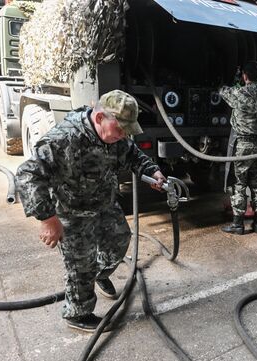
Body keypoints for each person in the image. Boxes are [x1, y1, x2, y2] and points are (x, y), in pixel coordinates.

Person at [16, 90, 166, 332]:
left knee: (120, 240)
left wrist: (152, 172)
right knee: (80, 264)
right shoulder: (64, 139)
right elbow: (27, 175)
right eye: (120, 129)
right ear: (99, 118)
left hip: (103, 204)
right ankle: (78, 314)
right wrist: (48, 219)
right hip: (72, 211)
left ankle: (99, 274)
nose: (124, 135)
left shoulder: (115, 136)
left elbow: (132, 154)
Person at [219, 61, 257, 235]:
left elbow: (222, 90)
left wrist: (228, 81)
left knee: (239, 184)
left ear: (245, 76)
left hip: (243, 145)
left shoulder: (238, 93)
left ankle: (238, 224)